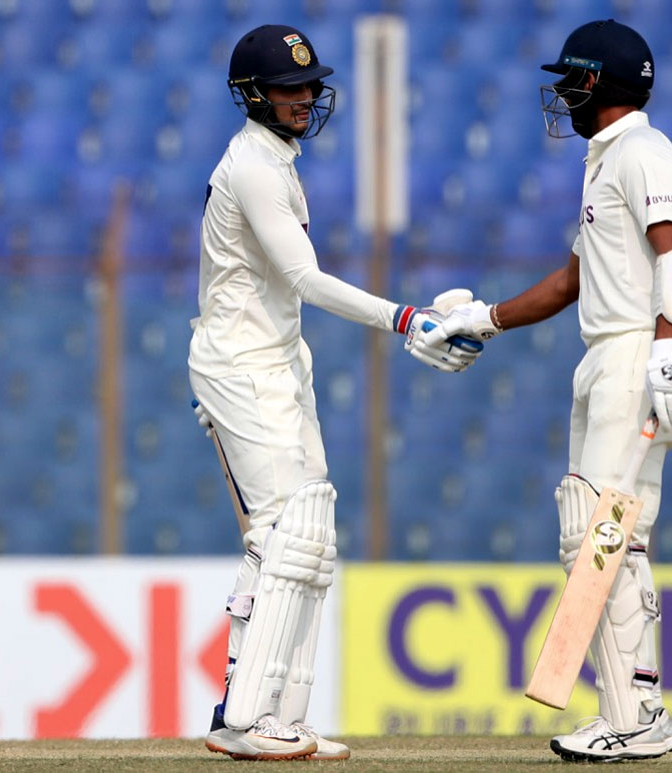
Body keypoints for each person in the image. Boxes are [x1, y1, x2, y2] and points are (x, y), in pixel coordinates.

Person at [189, 24, 481, 761]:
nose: (306, 98)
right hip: (239, 366)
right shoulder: (252, 166)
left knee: (304, 538)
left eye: (310, 85)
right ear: (252, 95)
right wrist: (405, 317)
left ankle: (274, 712)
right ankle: (243, 719)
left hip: (280, 362)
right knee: (284, 535)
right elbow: (304, 278)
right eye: (290, 88)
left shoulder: (278, 159)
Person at [428, 19, 672, 763]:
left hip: (642, 356)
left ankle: (635, 716)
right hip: (612, 357)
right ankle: (638, 704)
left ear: (602, 83)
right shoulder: (603, 160)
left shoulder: (646, 152)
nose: (561, 93)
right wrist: (482, 318)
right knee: (610, 534)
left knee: (597, 533)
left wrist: (667, 345)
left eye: (571, 80)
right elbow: (572, 280)